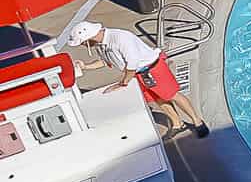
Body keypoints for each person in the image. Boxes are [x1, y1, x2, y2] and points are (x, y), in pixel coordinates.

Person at [66, 21, 209, 138]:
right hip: (138, 74)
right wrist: (85, 66)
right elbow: (104, 61)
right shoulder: (100, 45)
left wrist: (124, 82)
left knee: (173, 95)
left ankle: (197, 121)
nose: (84, 46)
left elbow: (132, 64)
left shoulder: (121, 38)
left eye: (83, 43)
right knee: (157, 99)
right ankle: (178, 124)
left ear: (88, 38)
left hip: (152, 68)